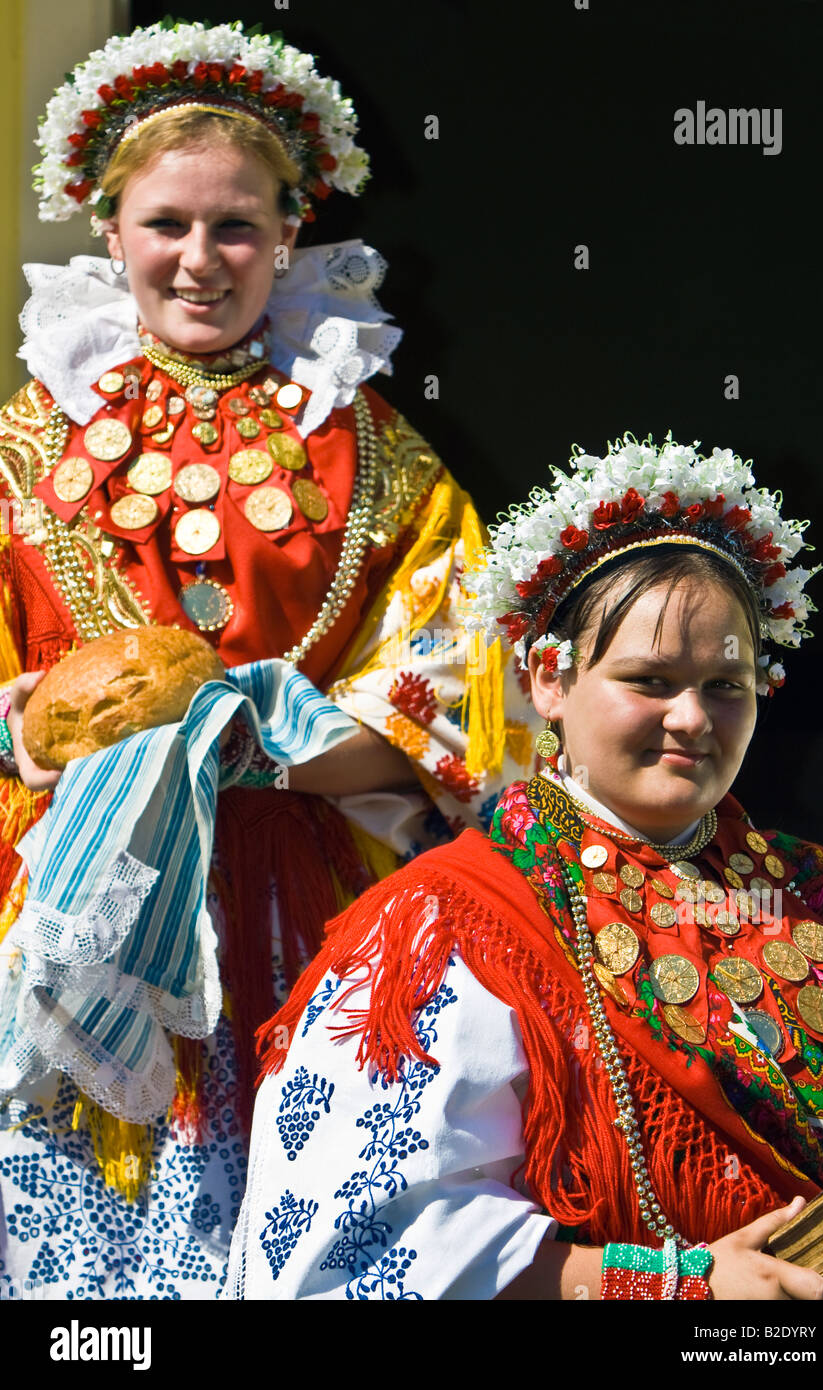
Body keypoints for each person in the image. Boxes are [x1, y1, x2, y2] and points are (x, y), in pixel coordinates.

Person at [0, 20, 533, 1300]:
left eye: (235, 226)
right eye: (166, 223)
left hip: (304, 890)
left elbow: (462, 677)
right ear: (111, 228)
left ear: (290, 234)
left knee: (298, 1218)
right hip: (71, 881)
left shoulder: (378, 452)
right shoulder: (23, 441)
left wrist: (282, 744)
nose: (199, 259)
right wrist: (21, 727)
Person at [225, 432, 823, 1301]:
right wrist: (678, 1284)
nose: (692, 720)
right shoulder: (447, 925)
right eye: (648, 680)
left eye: (726, 686)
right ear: (549, 681)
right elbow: (368, 1244)